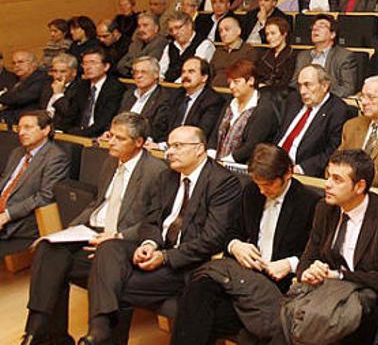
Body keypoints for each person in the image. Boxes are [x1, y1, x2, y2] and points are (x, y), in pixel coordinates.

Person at [78, 126, 241, 344]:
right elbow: (151, 220)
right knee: (108, 248)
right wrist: (149, 244)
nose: (170, 152)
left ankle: (100, 335)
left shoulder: (222, 182)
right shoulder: (168, 177)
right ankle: (100, 330)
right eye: (169, 146)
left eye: (178, 146)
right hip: (159, 247)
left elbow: (212, 239)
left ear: (199, 149)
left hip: (186, 261)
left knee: (116, 285)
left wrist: (164, 257)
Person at [22, 113, 167, 344]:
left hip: (121, 240)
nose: (112, 142)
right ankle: (42, 332)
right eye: (111, 136)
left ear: (139, 142)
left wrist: (117, 236)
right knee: (48, 250)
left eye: (120, 138)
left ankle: (96, 336)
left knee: (77, 262)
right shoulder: (110, 161)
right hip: (93, 229)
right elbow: (97, 203)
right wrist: (66, 232)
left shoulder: (155, 171)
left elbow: (154, 220)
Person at [170, 144, 319, 345]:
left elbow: (317, 252)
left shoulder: (310, 203)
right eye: (258, 184)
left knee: (200, 317)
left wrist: (291, 264)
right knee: (198, 289)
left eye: (268, 185)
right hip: (242, 274)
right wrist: (235, 245)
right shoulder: (252, 191)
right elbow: (231, 232)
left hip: (276, 282)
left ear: (288, 174)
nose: (262, 190)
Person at [297, 149, 378, 344]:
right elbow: (309, 255)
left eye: (337, 179)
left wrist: (340, 275)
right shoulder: (324, 208)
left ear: (359, 186)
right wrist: (309, 272)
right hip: (325, 293)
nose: (327, 184)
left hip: (364, 301)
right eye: (328, 176)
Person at [0, 110, 69, 257]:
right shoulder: (17, 152)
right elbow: (5, 182)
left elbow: (45, 197)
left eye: (28, 127)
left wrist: (7, 215)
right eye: (19, 128)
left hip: (22, 218)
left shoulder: (56, 157)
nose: (21, 133)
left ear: (45, 130)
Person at [276, 64, 352, 177]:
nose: (302, 91)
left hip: (300, 171)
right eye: (300, 85)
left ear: (325, 86)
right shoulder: (293, 100)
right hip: (274, 163)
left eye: (308, 85)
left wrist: (302, 169)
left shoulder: (338, 111)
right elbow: (279, 133)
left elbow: (332, 151)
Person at [208, 60, 278, 164]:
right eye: (229, 82)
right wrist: (211, 154)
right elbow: (215, 133)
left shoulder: (264, 109)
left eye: (236, 82)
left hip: (243, 166)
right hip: (219, 162)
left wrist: (226, 161)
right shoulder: (230, 103)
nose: (231, 86)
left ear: (251, 81)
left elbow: (252, 146)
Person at [292, 14, 359, 98]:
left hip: (329, 103)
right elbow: (294, 84)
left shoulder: (344, 56)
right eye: (314, 27)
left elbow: (348, 89)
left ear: (332, 34)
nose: (315, 29)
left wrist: (322, 97)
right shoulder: (303, 56)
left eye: (322, 26)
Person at [163, 57, 226, 143]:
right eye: (183, 72)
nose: (185, 76)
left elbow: (201, 133)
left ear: (204, 77)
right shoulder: (176, 94)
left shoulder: (213, 101)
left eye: (191, 72)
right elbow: (163, 124)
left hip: (191, 147)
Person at [118, 56, 173, 142]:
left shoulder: (164, 98)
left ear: (156, 74)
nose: (138, 76)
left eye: (143, 72)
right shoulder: (128, 94)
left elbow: (156, 130)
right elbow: (119, 119)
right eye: (135, 72)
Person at [159, 12, 215, 83]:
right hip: (168, 87)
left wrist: (174, 85)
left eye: (177, 28)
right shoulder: (170, 46)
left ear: (189, 25)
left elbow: (196, 73)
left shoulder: (205, 44)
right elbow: (161, 69)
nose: (174, 32)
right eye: (171, 30)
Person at [0, 51, 51, 124]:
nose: (16, 65)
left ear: (33, 63)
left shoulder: (41, 78)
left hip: (30, 120)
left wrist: (2, 96)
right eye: (14, 63)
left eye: (20, 62)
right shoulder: (16, 79)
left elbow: (19, 98)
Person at [209, 16, 259, 88]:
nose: (223, 34)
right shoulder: (218, 51)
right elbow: (210, 73)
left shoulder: (249, 51)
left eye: (227, 29)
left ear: (238, 31)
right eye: (220, 31)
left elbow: (244, 76)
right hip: (214, 89)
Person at [116, 12, 167, 77]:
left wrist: (128, 66)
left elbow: (147, 66)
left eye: (145, 25)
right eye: (139, 26)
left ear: (156, 28)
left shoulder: (161, 42)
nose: (141, 29)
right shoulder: (136, 43)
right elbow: (120, 65)